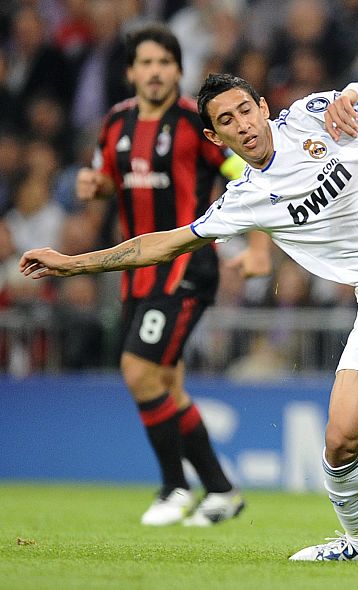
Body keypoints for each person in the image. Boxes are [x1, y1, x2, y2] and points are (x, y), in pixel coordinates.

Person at [20, 71, 358, 561]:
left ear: (261, 106)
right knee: (340, 440)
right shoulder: (244, 199)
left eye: (245, 110)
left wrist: (355, 93)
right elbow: (163, 245)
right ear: (216, 138)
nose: (242, 125)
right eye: (225, 122)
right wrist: (73, 264)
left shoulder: (312, 115)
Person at [74, 24, 270, 527]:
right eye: (146, 62)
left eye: (165, 62)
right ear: (131, 72)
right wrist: (93, 186)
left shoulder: (195, 123)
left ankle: (174, 487)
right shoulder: (114, 124)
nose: (155, 71)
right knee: (168, 387)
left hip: (186, 267)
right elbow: (104, 183)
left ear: (178, 71)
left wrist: (258, 246)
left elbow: (248, 175)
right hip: (137, 274)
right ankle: (222, 491)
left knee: (138, 371)